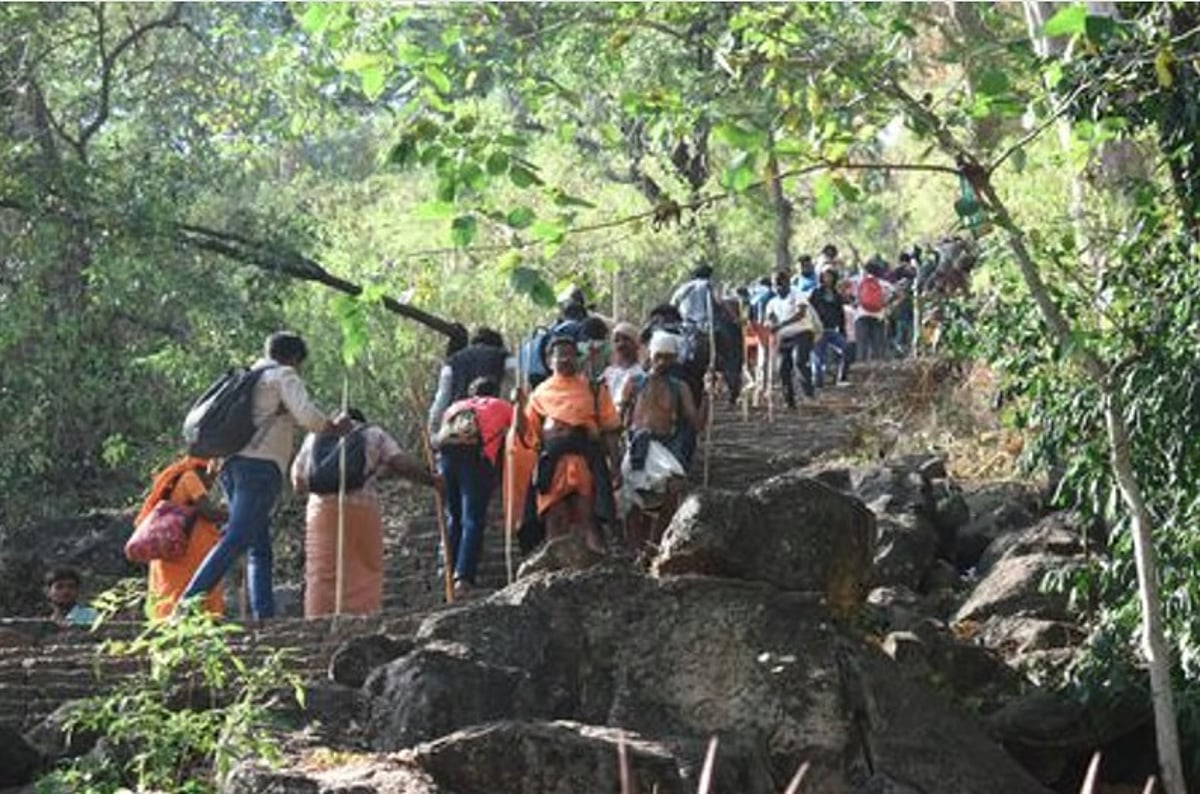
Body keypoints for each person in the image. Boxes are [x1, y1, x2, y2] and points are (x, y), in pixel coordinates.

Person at [181, 331, 352, 620]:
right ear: (295, 359)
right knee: (236, 538)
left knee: (258, 546)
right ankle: (186, 604)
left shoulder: (250, 376)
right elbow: (308, 416)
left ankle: (265, 616)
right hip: (259, 468)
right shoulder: (283, 375)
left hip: (232, 466)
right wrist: (335, 427)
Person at [292, 408, 437, 617]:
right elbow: (400, 463)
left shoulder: (314, 436)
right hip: (361, 507)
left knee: (321, 571)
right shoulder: (373, 433)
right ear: (360, 421)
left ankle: (317, 619)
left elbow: (297, 481)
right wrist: (431, 481)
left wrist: (325, 484)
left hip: (321, 510)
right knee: (364, 566)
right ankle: (363, 620)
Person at [516, 333, 623, 554]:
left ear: (578, 358)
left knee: (588, 514)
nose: (565, 360)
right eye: (560, 356)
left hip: (585, 458)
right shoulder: (539, 393)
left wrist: (615, 466)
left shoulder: (594, 389)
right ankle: (556, 568)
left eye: (570, 355)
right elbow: (527, 435)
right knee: (554, 516)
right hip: (552, 461)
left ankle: (597, 564)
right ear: (549, 360)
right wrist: (517, 406)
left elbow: (611, 429)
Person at [620, 332, 700, 552]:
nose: (663, 362)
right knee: (633, 499)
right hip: (638, 446)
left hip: (666, 448)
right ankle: (635, 549)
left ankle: (656, 545)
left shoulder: (679, 387)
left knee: (672, 490)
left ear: (675, 359)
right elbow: (620, 419)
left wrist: (710, 396)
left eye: (668, 357)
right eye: (659, 356)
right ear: (650, 355)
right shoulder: (634, 382)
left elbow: (696, 423)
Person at [435, 379, 513, 596]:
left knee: (454, 516)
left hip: (448, 459)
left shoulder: (455, 407)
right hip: (476, 460)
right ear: (495, 391)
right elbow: (521, 431)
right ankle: (463, 577)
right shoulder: (500, 405)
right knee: (473, 519)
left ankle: (446, 569)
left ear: (471, 392)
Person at [138, 455, 228, 620]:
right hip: (189, 550)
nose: (212, 481)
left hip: (172, 546)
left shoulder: (179, 479)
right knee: (191, 588)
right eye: (213, 475)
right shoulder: (190, 477)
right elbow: (208, 512)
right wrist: (238, 515)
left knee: (169, 589)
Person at [428, 327, 509, 438]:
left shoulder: (452, 362)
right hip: (493, 430)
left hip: (459, 429)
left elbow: (442, 398)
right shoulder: (505, 357)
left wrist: (434, 433)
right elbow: (511, 393)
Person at [765, 270, 820, 409]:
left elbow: (800, 314)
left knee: (800, 361)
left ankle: (809, 395)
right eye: (775, 285)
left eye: (781, 284)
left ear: (788, 283)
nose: (778, 288)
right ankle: (789, 400)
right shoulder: (772, 302)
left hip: (802, 333)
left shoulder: (797, 295)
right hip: (784, 337)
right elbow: (770, 318)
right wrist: (771, 325)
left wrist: (782, 324)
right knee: (783, 368)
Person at [809, 269, 852, 388]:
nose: (828, 279)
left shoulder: (836, 295)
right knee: (818, 358)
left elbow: (840, 313)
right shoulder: (816, 293)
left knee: (846, 349)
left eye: (830, 277)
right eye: (825, 277)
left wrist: (842, 329)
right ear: (821, 278)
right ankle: (818, 382)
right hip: (818, 330)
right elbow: (810, 311)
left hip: (832, 329)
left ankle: (841, 378)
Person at [851, 257, 895, 362]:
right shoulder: (885, 284)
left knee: (862, 344)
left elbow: (841, 285)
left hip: (861, 315)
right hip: (879, 316)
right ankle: (877, 371)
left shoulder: (858, 280)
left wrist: (853, 301)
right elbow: (899, 294)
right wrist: (887, 305)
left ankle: (861, 371)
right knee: (878, 345)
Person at [603, 322, 645, 416]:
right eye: (617, 340)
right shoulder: (608, 372)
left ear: (635, 344)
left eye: (626, 339)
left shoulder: (641, 374)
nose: (621, 344)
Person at [670, 264, 716, 328]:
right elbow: (717, 301)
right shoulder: (707, 285)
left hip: (684, 322)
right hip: (703, 323)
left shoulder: (685, 286)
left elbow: (673, 303)